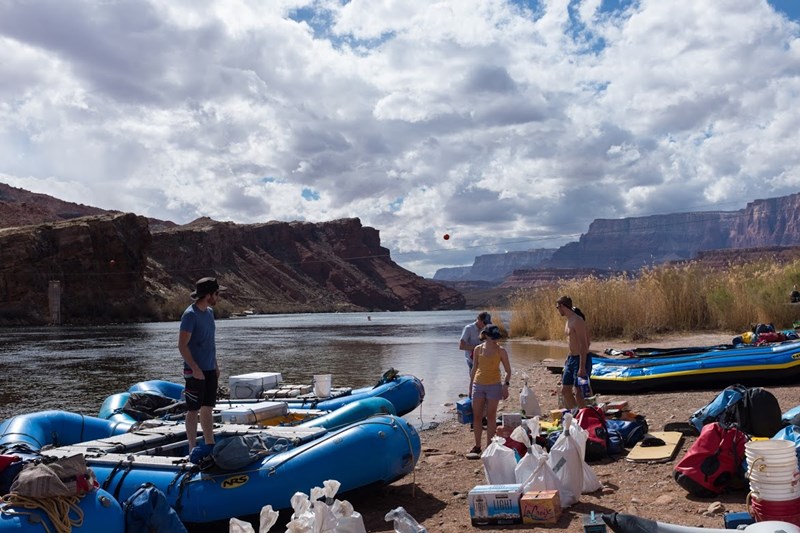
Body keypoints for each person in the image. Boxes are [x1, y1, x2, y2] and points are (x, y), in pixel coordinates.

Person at [179, 277, 226, 461]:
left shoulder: (209, 313)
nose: (218, 297)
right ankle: (192, 447)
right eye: (216, 293)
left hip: (209, 368)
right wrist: (194, 368)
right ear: (208, 295)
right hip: (194, 371)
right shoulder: (190, 315)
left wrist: (215, 364)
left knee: (208, 407)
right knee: (193, 409)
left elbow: (209, 343)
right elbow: (182, 345)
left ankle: (209, 444)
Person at [468, 324, 511, 456]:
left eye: (497, 337)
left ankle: (489, 446)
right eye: (493, 337)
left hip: (494, 385)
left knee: (491, 416)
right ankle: (477, 445)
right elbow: (474, 368)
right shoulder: (478, 349)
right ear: (486, 335)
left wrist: (505, 385)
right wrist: (470, 386)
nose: (495, 340)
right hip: (478, 385)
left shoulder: (501, 351)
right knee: (477, 416)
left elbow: (508, 371)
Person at [556, 295, 592, 409]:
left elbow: (584, 344)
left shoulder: (577, 321)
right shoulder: (568, 321)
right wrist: (568, 358)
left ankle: (583, 417)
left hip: (581, 359)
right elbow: (572, 342)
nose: (558, 310)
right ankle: (576, 414)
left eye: (558, 307)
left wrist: (582, 367)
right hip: (571, 359)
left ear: (562, 306)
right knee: (565, 390)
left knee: (579, 392)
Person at [459, 311, 492, 379]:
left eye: (487, 323)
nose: (485, 325)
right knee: (475, 380)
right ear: (479, 320)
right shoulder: (468, 328)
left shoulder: (486, 329)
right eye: (484, 323)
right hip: (471, 360)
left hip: (483, 359)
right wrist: (477, 348)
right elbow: (461, 346)